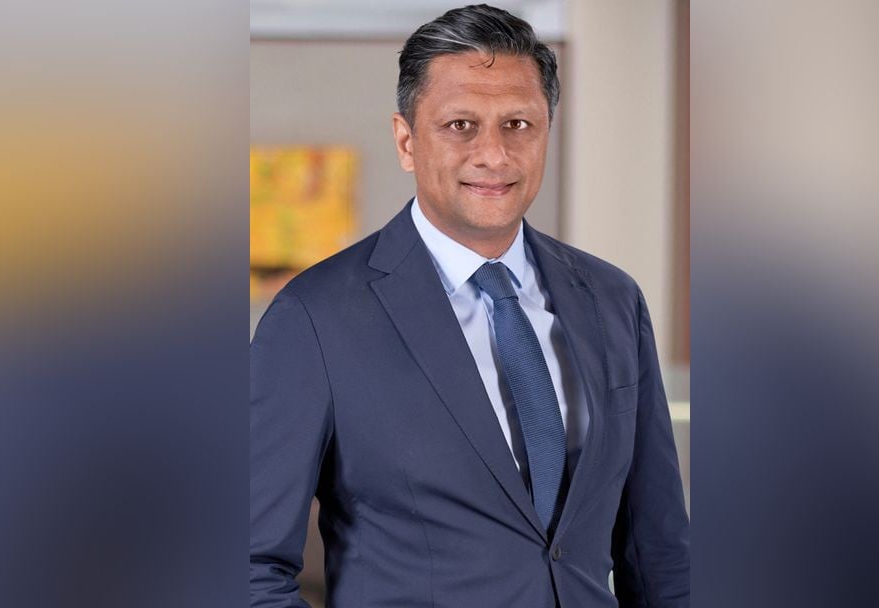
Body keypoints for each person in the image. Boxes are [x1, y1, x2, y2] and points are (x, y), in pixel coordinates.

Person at [250, 4, 689, 607]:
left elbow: (660, 553)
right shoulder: (313, 318)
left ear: (546, 132)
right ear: (406, 141)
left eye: (518, 124)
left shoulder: (613, 300)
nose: (494, 155)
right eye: (460, 125)